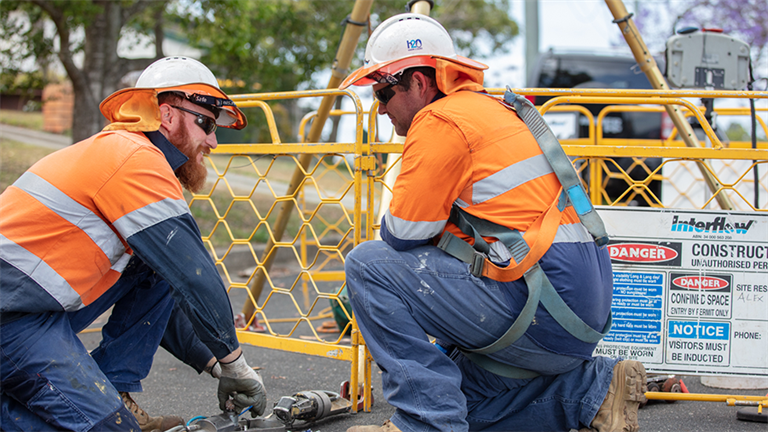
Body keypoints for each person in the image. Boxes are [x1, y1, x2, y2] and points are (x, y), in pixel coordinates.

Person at [339, 14, 646, 432]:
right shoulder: (494, 110)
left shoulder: (440, 121)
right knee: (459, 398)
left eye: (383, 93)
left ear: (419, 82)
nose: (380, 108)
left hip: (541, 305)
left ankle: (424, 425)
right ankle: (592, 393)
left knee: (368, 265)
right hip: (575, 315)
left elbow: (402, 233)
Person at [0, 56, 267, 431]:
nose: (213, 140)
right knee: (112, 427)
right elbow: (196, 276)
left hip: (32, 312)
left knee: (154, 266)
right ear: (167, 115)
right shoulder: (136, 158)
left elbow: (168, 285)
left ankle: (112, 389)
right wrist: (235, 365)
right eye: (206, 124)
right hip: (14, 320)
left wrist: (215, 363)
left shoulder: (123, 152)